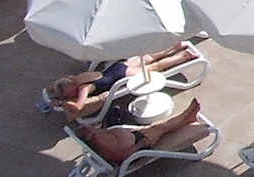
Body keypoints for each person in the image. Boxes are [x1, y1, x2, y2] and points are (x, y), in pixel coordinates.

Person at [46, 42, 203, 122]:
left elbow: (79, 107)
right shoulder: (78, 77)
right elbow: (57, 87)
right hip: (117, 67)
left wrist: (61, 103)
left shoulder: (84, 88)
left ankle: (185, 56)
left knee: (155, 67)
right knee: (148, 58)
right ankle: (176, 45)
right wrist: (54, 92)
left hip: (121, 76)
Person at [72, 95, 211, 166]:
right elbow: (122, 156)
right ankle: (187, 117)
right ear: (89, 136)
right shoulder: (102, 144)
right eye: (85, 128)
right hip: (138, 147)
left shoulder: (96, 138)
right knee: (161, 128)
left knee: (157, 126)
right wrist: (141, 144)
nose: (86, 125)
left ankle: (186, 117)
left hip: (133, 136)